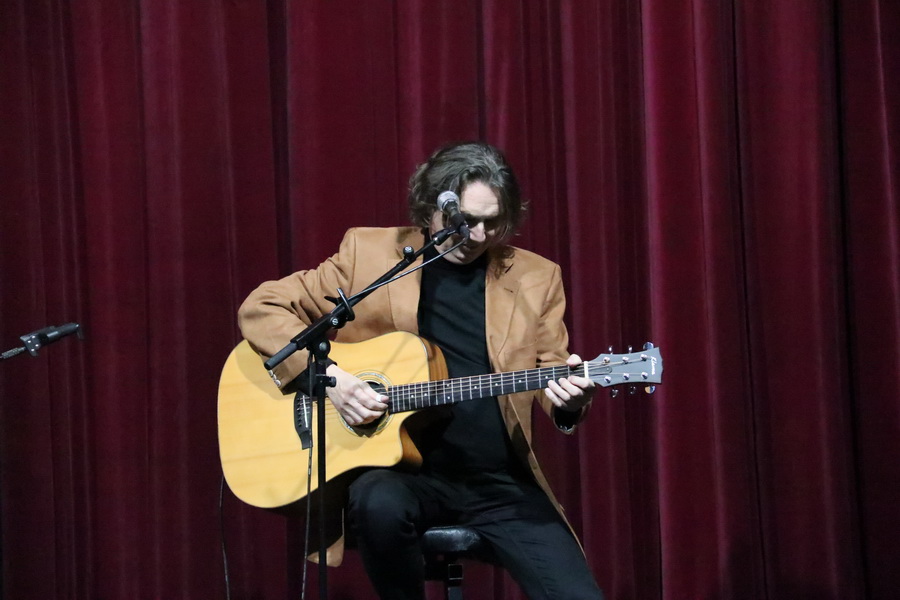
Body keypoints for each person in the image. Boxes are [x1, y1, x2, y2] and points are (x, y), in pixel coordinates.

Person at [238, 142, 604, 600]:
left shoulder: (536, 277)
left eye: (493, 222)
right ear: (433, 208)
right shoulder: (371, 255)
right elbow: (262, 308)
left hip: (498, 483)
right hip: (402, 472)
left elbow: (551, 373)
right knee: (377, 501)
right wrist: (330, 378)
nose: (479, 235)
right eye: (466, 221)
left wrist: (570, 401)